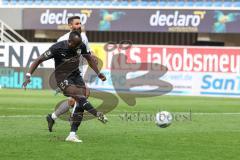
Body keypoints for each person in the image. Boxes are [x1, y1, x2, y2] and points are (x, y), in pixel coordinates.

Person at [23, 31, 107, 143]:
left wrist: (98, 73)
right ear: (69, 41)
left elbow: (89, 59)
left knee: (82, 100)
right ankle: (97, 114)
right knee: (79, 96)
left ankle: (72, 134)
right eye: (75, 45)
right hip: (62, 78)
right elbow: (39, 60)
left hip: (76, 75)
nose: (77, 48)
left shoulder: (80, 45)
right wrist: (28, 76)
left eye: (78, 46)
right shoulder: (57, 48)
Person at [46, 16, 93, 132]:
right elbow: (57, 59)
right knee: (82, 96)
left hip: (78, 72)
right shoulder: (62, 39)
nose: (79, 26)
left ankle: (52, 117)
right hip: (67, 75)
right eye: (76, 24)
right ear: (70, 26)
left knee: (75, 99)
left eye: (80, 24)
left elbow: (88, 54)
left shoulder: (84, 37)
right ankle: (72, 123)